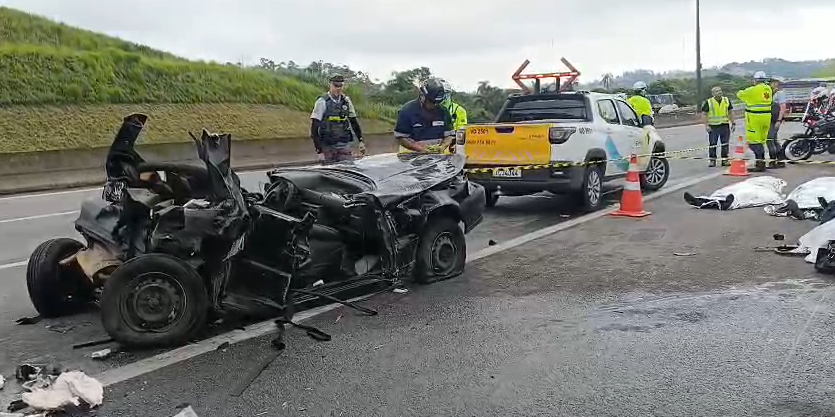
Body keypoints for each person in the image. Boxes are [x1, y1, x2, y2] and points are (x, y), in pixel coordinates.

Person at [309, 74, 366, 163]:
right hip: (328, 145)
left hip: (343, 144)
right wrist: (319, 150)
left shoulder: (346, 101)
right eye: (336, 86)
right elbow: (314, 128)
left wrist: (360, 141)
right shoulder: (322, 102)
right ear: (330, 84)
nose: (338, 88)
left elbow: (354, 122)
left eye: (340, 86)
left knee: (349, 169)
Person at [394, 78, 455, 154]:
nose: (434, 105)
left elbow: (449, 135)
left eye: (437, 103)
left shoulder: (443, 111)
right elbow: (401, 137)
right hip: (411, 158)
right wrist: (418, 148)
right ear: (422, 96)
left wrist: (443, 146)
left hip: (437, 157)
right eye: (432, 102)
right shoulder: (407, 111)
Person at [736, 71, 773, 172]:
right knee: (761, 141)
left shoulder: (752, 90)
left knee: (753, 141)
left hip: (755, 117)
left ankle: (760, 164)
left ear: (755, 80)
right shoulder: (768, 88)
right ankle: (761, 162)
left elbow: (739, 94)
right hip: (766, 117)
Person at [701, 86, 736, 167]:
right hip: (713, 126)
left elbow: (730, 112)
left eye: (720, 90)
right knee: (713, 143)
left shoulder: (726, 100)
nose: (719, 92)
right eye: (716, 91)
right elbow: (704, 114)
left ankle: (725, 160)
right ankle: (712, 160)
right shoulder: (709, 102)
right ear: (713, 93)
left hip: (724, 125)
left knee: (725, 143)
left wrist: (733, 123)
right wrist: (706, 125)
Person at [766, 77, 787, 168]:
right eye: (771, 83)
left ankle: (773, 160)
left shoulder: (779, 93)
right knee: (773, 140)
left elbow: (783, 107)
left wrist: (779, 120)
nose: (772, 84)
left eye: (774, 83)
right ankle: (780, 160)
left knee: (770, 140)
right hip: (768, 119)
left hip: (775, 120)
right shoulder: (769, 93)